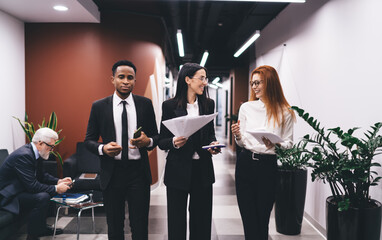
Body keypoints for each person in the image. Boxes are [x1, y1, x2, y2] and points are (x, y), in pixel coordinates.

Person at [84, 60, 159, 240]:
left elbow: (156, 137)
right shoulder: (99, 106)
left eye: (130, 78)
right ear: (113, 79)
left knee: (140, 225)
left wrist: (147, 141)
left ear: (135, 81)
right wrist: (103, 148)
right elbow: (89, 140)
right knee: (115, 225)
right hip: (112, 173)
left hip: (138, 173)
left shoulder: (145, 104)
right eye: (121, 77)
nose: (126, 81)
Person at [231, 65, 295, 240]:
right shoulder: (246, 108)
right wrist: (237, 136)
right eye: (253, 83)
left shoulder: (286, 111)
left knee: (263, 216)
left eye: (258, 82)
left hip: (267, 167)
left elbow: (289, 143)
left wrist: (276, 143)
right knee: (248, 217)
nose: (254, 87)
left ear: (270, 82)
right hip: (246, 164)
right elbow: (242, 142)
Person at [158, 63, 221, 240]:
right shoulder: (169, 106)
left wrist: (213, 145)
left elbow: (210, 135)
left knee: (201, 221)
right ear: (187, 79)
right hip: (178, 170)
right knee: (176, 221)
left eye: (205, 78)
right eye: (201, 78)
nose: (205, 82)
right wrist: (174, 142)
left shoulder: (208, 104)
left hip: (202, 169)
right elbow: (162, 141)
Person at [0, 127, 72, 240]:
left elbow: (41, 175)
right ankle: (33, 235)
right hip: (9, 196)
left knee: (47, 193)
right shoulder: (24, 155)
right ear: (40, 143)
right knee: (42, 196)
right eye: (51, 146)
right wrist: (56, 188)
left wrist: (58, 181)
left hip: (20, 189)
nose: (52, 149)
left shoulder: (35, 153)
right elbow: (32, 186)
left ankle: (40, 227)